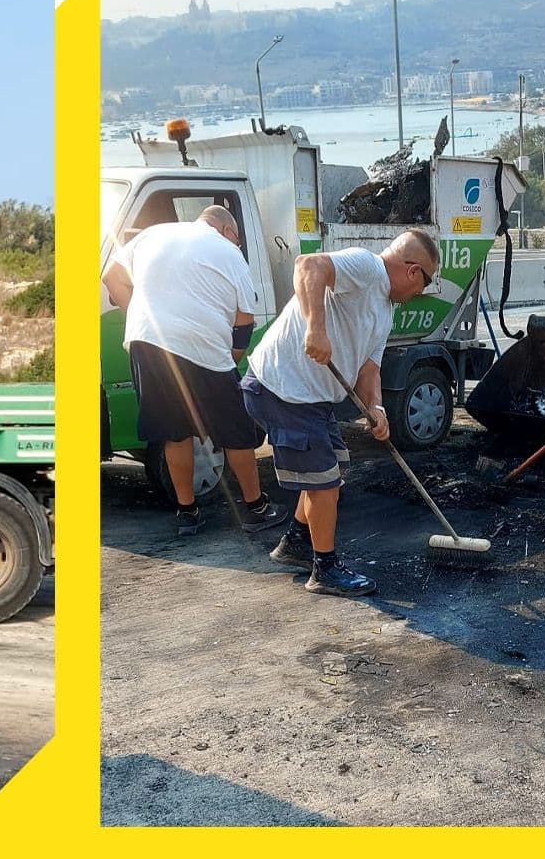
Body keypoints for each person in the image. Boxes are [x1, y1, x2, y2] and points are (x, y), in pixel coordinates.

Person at [240, 230, 443, 596]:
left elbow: (369, 370)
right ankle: (325, 569)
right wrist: (315, 328)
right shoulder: (368, 268)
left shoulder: (384, 310)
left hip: (311, 399)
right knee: (323, 482)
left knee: (334, 470)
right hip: (282, 388)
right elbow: (308, 266)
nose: (418, 294)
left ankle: (298, 543)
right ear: (414, 272)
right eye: (424, 284)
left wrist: (376, 408)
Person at [102, 205, 287, 536]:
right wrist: (230, 357)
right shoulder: (229, 252)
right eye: (238, 239)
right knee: (237, 431)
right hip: (203, 349)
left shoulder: (153, 234)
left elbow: (110, 277)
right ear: (227, 231)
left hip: (148, 343)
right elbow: (245, 321)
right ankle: (256, 508)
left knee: (175, 432)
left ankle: (187, 513)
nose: (239, 244)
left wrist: (142, 313)